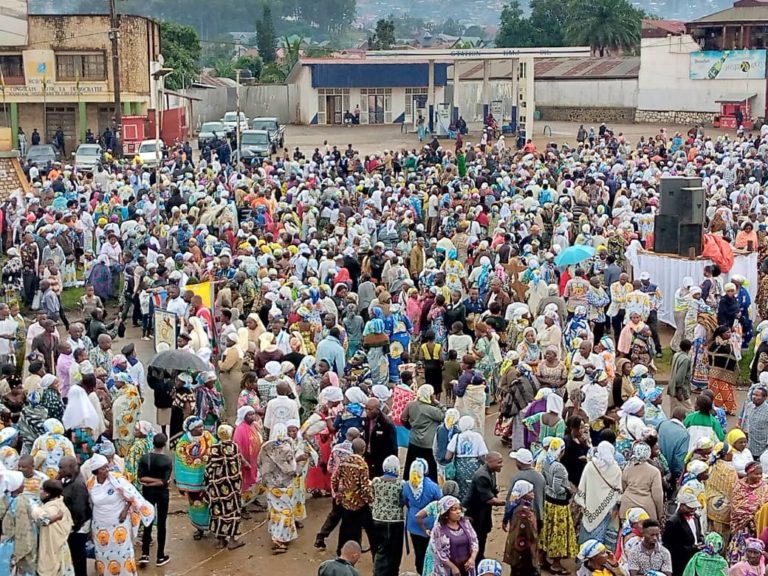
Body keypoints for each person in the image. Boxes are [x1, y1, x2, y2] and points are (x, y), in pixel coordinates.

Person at [85, 453, 155, 576]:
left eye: (107, 466)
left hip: (119, 523)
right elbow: (90, 504)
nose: (107, 470)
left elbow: (131, 496)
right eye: (103, 468)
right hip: (100, 525)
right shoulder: (90, 484)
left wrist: (125, 510)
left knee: (123, 553)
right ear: (96, 471)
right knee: (103, 554)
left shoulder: (117, 479)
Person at [258, 422, 298, 554]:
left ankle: (275, 535)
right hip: (285, 486)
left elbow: (259, 463)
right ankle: (280, 539)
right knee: (285, 510)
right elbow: (291, 468)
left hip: (271, 485)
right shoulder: (286, 448)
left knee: (274, 510)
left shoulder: (265, 447)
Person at [540, 437, 578, 574]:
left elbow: (545, 480)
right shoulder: (559, 467)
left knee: (547, 531)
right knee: (559, 534)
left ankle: (542, 559)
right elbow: (557, 488)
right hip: (559, 504)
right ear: (561, 451)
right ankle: (556, 564)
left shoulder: (546, 461)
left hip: (548, 501)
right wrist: (567, 490)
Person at [575, 441, 622, 548]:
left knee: (586, 534)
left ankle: (584, 558)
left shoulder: (590, 466)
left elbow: (582, 486)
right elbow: (618, 493)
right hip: (606, 510)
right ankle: (597, 559)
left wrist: (582, 502)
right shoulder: (616, 470)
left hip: (589, 507)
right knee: (600, 537)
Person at [205, 424, 245, 550]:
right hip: (232, 486)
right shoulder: (234, 447)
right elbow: (238, 466)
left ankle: (221, 540)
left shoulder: (214, 448)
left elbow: (208, 468)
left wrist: (208, 483)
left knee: (218, 511)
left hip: (216, 486)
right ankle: (232, 540)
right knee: (232, 511)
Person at [332, 437, 374, 556]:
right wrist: (370, 500)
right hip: (358, 502)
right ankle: (359, 550)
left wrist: (337, 494)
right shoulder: (362, 465)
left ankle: (340, 550)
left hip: (345, 500)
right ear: (363, 449)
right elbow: (365, 487)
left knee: (345, 527)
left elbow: (334, 479)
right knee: (364, 527)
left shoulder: (344, 461)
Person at [174, 416, 214, 540]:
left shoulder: (208, 437)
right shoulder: (183, 442)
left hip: (209, 480)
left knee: (212, 504)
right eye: (198, 427)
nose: (201, 429)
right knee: (197, 506)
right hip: (193, 485)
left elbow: (217, 449)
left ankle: (214, 527)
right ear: (191, 429)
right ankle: (199, 529)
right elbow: (181, 462)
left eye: (202, 426)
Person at [463, 451, 505, 564]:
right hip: (474, 512)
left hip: (483, 510)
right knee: (477, 536)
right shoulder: (482, 475)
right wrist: (508, 502)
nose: (501, 465)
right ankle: (476, 559)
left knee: (484, 533)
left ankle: (479, 556)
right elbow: (490, 500)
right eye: (499, 462)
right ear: (489, 462)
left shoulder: (491, 471)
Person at [137, 432, 172, 567]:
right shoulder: (167, 461)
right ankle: (160, 556)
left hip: (148, 493)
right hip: (162, 494)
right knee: (162, 524)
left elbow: (141, 478)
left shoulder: (145, 458)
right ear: (164, 444)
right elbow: (165, 482)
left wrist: (149, 483)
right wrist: (158, 482)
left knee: (147, 522)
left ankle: (145, 554)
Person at [404, 458, 443, 575]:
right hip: (429, 524)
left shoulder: (406, 486)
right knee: (430, 551)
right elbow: (439, 502)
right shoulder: (432, 486)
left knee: (418, 551)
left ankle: (420, 571)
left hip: (413, 524)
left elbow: (405, 501)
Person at [401, 383, 445, 481]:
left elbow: (403, 418)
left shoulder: (411, 405)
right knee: (430, 469)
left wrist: (409, 427)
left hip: (414, 441)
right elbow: (445, 416)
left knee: (410, 465)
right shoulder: (432, 410)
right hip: (428, 444)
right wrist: (437, 403)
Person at [727, 461, 768, 564]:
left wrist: (757, 513)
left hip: (758, 525)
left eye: (760, 474)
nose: (759, 476)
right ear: (749, 473)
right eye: (756, 474)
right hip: (742, 526)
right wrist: (753, 511)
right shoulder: (739, 486)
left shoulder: (764, 487)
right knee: (741, 551)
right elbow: (736, 506)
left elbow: (765, 506)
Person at [371, 455, 405, 576]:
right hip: (395, 522)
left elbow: (372, 496)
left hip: (377, 519)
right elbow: (403, 501)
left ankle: (378, 572)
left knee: (380, 549)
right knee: (394, 553)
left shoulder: (376, 481)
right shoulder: (401, 484)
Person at [429, 494, 479, 576]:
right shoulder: (438, 529)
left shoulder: (466, 523)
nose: (458, 512)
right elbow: (438, 551)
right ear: (446, 512)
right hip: (448, 570)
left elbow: (474, 541)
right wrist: (453, 567)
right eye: (454, 509)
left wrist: (472, 559)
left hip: (467, 567)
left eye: (459, 509)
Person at [59, 456, 91, 576]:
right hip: (73, 524)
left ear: (71, 467)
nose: (59, 470)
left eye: (61, 468)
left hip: (78, 526)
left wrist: (73, 527)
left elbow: (80, 509)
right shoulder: (69, 479)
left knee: (78, 557)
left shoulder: (78, 485)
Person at [0, 470, 37, 575]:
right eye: (22, 483)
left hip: (6, 543)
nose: (24, 485)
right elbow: (39, 517)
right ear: (16, 485)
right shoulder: (24, 501)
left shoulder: (2, 499)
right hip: (21, 543)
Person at [445, 416, 488, 501]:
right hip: (474, 467)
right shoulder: (477, 436)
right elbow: (483, 455)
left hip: (460, 468)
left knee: (461, 489)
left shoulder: (456, 437)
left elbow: (448, 456)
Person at [502, 479, 539, 576]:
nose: (533, 494)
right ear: (523, 494)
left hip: (518, 548)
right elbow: (528, 533)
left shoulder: (519, 506)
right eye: (530, 492)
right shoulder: (523, 512)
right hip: (523, 550)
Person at [663, 488, 704, 576]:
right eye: (690, 507)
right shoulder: (673, 522)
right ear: (681, 506)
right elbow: (669, 545)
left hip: (695, 558)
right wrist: (691, 548)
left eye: (694, 507)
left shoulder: (696, 517)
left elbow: (699, 534)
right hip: (680, 561)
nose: (693, 509)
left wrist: (702, 542)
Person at [621, 443, 664, 523]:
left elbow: (623, 486)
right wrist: (660, 513)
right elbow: (657, 495)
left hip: (627, 507)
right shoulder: (654, 471)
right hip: (646, 509)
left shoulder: (627, 468)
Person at [233, 405, 262, 507]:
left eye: (253, 414)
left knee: (255, 481)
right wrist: (244, 461)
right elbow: (237, 446)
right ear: (244, 416)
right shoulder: (240, 429)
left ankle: (253, 499)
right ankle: (243, 506)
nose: (253, 416)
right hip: (246, 461)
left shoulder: (254, 426)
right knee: (245, 483)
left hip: (254, 460)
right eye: (249, 414)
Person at [362, 397, 398, 479]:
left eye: (370, 409)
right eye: (366, 409)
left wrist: (393, 463)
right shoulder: (366, 419)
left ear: (377, 410)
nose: (367, 411)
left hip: (381, 458)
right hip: (368, 455)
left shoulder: (386, 424)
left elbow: (393, 446)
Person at [708, 326, 739, 415]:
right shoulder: (715, 344)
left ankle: (728, 409)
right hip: (715, 373)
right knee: (715, 391)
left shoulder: (729, 343)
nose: (729, 334)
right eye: (727, 333)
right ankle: (715, 408)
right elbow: (711, 356)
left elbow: (731, 357)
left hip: (726, 374)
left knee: (726, 392)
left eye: (730, 332)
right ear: (721, 334)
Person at [668, 340, 693, 412]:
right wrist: (679, 391)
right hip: (680, 390)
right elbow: (680, 376)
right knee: (689, 410)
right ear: (689, 348)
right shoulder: (686, 359)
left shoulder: (676, 355)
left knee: (674, 409)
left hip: (671, 387)